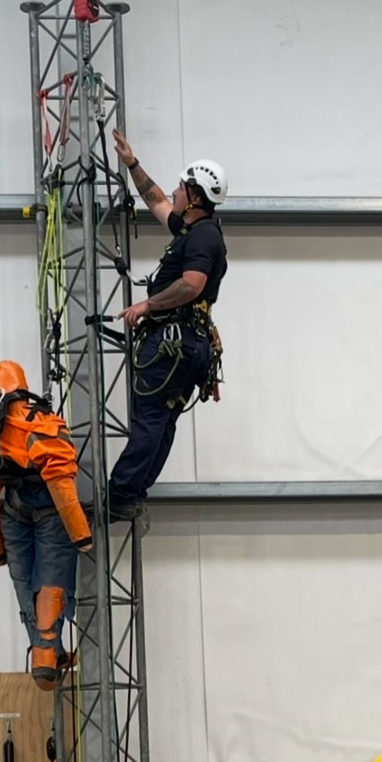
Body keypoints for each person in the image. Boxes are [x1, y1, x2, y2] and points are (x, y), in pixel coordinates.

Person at [108, 130, 228, 520]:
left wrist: (146, 305)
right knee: (161, 420)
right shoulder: (192, 230)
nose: (175, 191)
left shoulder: (204, 237)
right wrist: (131, 163)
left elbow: (191, 285)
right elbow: (155, 200)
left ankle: (120, 494)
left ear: (195, 197)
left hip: (173, 342)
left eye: (182, 187)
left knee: (151, 418)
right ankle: (131, 492)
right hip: (187, 343)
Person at [0, 359, 93, 689]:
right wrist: (81, 535)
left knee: (25, 585)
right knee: (51, 581)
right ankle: (44, 655)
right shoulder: (42, 424)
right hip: (51, 512)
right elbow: (61, 484)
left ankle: (49, 653)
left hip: (13, 512)